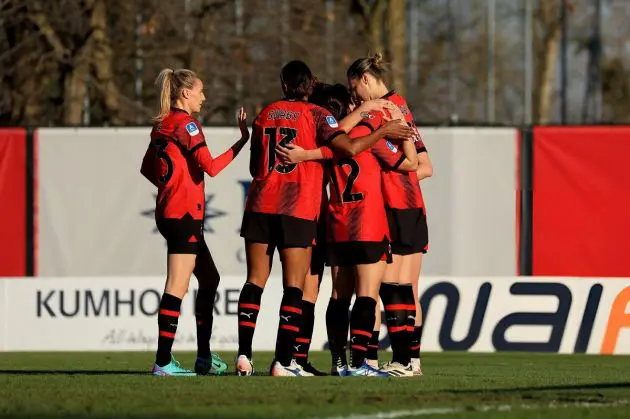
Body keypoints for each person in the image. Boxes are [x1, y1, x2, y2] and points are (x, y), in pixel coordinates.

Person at [236, 61, 415, 377]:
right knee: (331, 291)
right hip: (328, 214)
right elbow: (405, 163)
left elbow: (255, 168)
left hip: (286, 209)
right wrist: (390, 127)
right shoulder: (329, 123)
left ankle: (256, 355)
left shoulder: (267, 114)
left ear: (283, 84)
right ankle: (312, 361)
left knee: (282, 286)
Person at [140, 68, 249, 376]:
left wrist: (172, 184)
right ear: (185, 93)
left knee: (210, 279)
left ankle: (203, 357)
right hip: (184, 215)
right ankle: (162, 361)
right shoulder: (187, 124)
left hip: (172, 212)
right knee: (177, 285)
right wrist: (242, 142)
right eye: (200, 91)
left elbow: (148, 168)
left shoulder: (163, 124)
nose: (204, 97)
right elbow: (212, 167)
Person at [347, 53, 433, 376]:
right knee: (407, 288)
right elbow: (425, 166)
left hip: (395, 207)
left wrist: (391, 171)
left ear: (366, 80)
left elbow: (414, 164)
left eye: (354, 87)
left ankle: (393, 359)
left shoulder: (384, 111)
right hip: (412, 207)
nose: (354, 95)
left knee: (388, 287)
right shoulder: (401, 106)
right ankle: (413, 361)